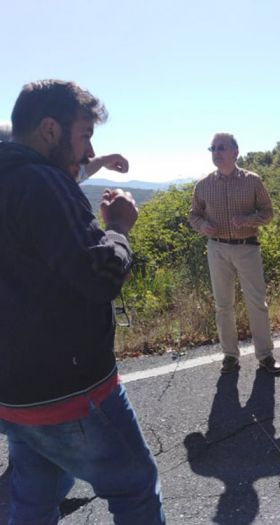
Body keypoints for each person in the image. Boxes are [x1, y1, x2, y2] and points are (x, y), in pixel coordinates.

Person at [0, 80, 166, 524]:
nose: (87, 150)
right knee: (136, 489)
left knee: (34, 499)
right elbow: (101, 275)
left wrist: (93, 164)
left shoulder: (11, 173)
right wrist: (119, 226)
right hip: (71, 391)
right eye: (85, 136)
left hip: (13, 393)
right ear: (50, 129)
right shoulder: (42, 183)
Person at [189, 132, 280, 375]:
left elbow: (268, 213)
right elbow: (193, 215)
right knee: (223, 305)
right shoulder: (203, 184)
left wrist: (247, 220)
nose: (216, 153)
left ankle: (265, 356)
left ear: (235, 152)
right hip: (217, 248)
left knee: (257, 304)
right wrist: (202, 226)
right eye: (213, 149)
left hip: (247, 248)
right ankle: (230, 356)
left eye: (221, 148)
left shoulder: (253, 181)